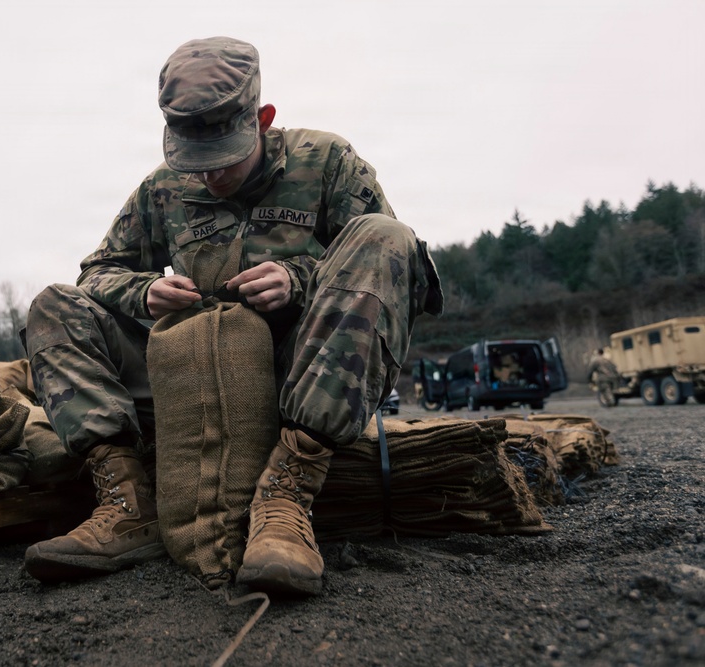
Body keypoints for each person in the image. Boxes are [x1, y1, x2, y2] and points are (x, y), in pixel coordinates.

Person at [22, 36, 443, 596]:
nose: (209, 177)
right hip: (186, 379)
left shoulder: (328, 162)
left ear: (263, 119)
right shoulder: (162, 190)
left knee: (386, 234)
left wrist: (298, 279)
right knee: (54, 306)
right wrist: (143, 290)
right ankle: (127, 501)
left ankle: (287, 494)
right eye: (194, 163)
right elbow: (95, 272)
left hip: (302, 370)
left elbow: (391, 268)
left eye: (223, 160)